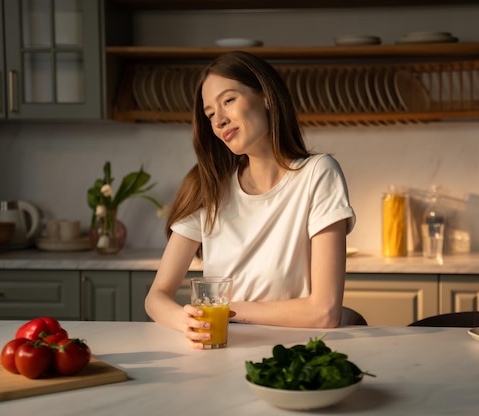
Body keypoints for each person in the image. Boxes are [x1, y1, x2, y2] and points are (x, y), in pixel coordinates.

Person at [145, 51, 356, 349]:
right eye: (209, 114)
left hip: (293, 353)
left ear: (266, 96)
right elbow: (157, 297)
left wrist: (227, 311)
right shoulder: (207, 184)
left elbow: (325, 311)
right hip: (219, 348)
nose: (218, 120)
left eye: (228, 101)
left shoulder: (318, 174)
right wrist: (188, 321)